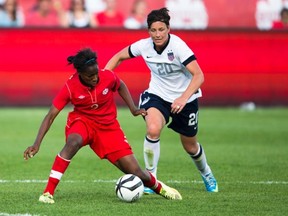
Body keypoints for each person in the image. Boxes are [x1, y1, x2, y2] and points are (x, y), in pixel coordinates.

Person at [23, 48, 182, 204]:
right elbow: (50, 115)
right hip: (82, 122)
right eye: (89, 76)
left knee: (136, 172)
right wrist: (37, 143)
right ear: (80, 74)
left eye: (96, 73)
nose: (94, 78)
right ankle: (47, 193)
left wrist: (133, 108)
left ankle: (160, 187)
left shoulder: (107, 76)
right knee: (73, 142)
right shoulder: (70, 87)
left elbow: (120, 85)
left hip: (108, 128)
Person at [105, 7, 218, 194]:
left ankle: (207, 173)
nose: (157, 34)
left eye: (161, 30)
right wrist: (104, 77)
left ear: (168, 29)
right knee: (153, 129)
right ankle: (151, 178)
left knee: (190, 146)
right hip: (157, 95)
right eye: (153, 30)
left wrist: (183, 97)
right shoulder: (144, 45)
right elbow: (118, 57)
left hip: (185, 99)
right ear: (148, 30)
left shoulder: (179, 47)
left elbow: (199, 75)